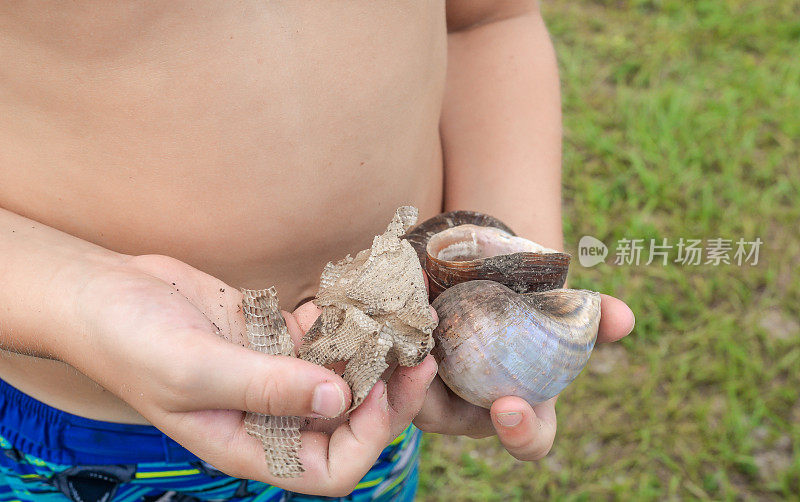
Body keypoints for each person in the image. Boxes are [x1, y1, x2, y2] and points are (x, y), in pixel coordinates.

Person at [0, 1, 635, 500]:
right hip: (90, 442)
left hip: (381, 402)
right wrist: (76, 300)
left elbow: (486, 21)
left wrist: (501, 283)